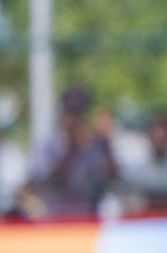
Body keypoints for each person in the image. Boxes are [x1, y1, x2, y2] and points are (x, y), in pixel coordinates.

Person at [31, 86, 118, 218]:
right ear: (62, 114)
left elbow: (113, 179)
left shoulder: (93, 144)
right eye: (70, 112)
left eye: (78, 113)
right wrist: (71, 148)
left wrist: (104, 143)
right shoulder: (48, 145)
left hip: (88, 220)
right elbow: (47, 181)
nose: (74, 119)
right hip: (57, 218)